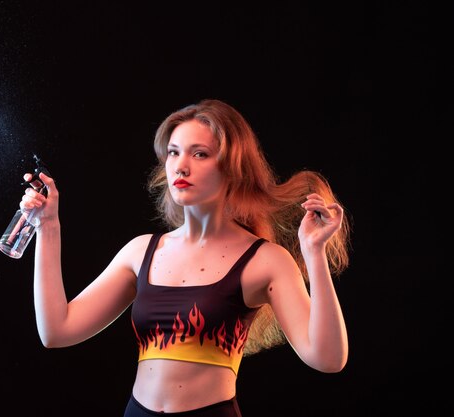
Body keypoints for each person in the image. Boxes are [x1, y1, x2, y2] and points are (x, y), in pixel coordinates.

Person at [20, 99, 350, 416]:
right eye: (174, 152)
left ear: (233, 167)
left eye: (200, 153)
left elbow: (328, 358)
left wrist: (314, 252)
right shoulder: (141, 252)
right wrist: (48, 227)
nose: (181, 165)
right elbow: (56, 331)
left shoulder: (266, 261)